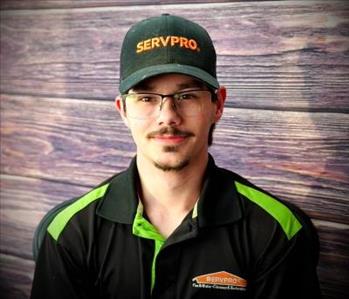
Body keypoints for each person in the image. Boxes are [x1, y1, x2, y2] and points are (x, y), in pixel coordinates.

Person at [30, 14, 321, 299]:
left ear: (217, 104)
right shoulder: (69, 231)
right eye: (146, 97)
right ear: (123, 110)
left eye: (187, 95)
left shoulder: (276, 230)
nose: (168, 116)